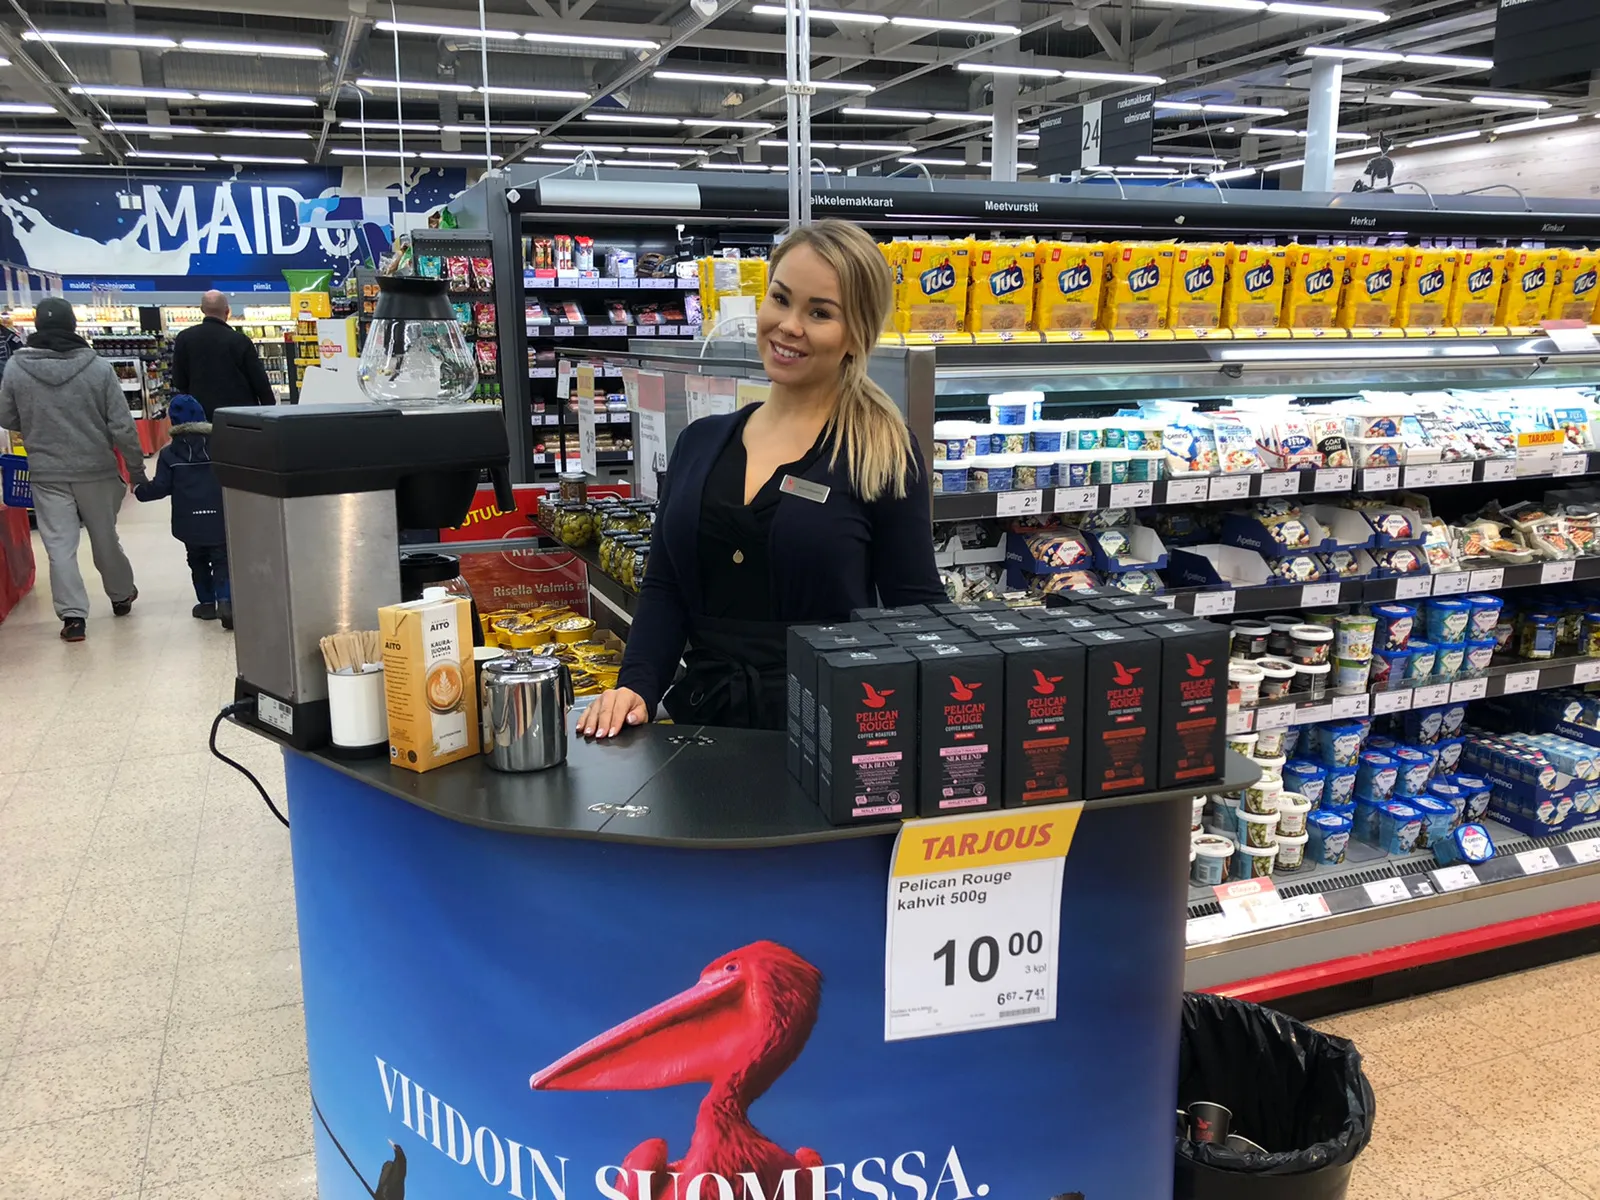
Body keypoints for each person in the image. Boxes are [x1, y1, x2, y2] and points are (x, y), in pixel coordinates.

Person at [579, 219, 945, 738]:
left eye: (820, 312)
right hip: (700, 735)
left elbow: (918, 610)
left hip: (828, 739)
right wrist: (636, 686)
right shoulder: (699, 443)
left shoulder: (880, 452)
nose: (789, 325)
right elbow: (665, 588)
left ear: (856, 334)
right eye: (781, 298)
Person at [0, 296, 146, 641]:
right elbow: (122, 426)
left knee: (59, 546)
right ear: (73, 326)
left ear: (37, 326)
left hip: (47, 471)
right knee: (105, 537)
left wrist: (35, 425)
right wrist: (137, 471)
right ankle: (121, 594)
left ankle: (73, 617)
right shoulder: (98, 368)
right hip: (96, 468)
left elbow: (5, 416)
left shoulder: (17, 367)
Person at [134, 393, 232, 629]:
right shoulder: (221, 447)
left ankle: (206, 604)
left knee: (197, 561)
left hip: (189, 522)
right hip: (220, 518)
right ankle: (226, 602)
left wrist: (139, 491)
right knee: (222, 560)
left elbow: (161, 487)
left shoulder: (170, 454)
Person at [170, 289, 275, 418]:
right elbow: (260, 382)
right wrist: (270, 410)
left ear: (202, 310)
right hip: (240, 416)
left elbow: (179, 380)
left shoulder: (184, 338)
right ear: (227, 311)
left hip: (200, 415)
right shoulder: (240, 341)